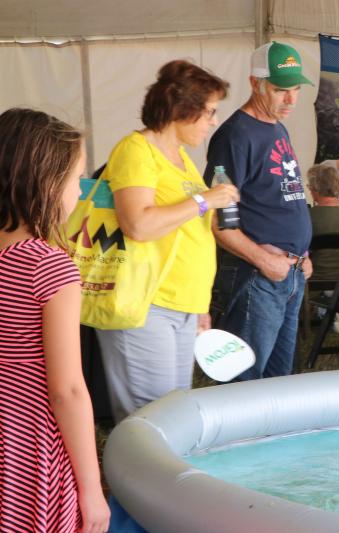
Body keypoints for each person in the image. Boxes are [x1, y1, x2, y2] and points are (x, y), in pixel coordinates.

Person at [95, 60, 238, 423]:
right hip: (146, 303)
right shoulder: (136, 150)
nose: (213, 122)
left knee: (173, 415)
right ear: (182, 110)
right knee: (151, 421)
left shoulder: (183, 160)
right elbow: (139, 225)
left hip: (182, 305)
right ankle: (131, 480)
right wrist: (206, 200)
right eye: (209, 112)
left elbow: (190, 234)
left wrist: (200, 306)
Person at [0, 108, 110, 532]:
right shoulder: (48, 267)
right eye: (76, 178)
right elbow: (66, 391)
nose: (81, 193)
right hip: (29, 446)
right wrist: (91, 489)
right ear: (43, 182)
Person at [204, 41, 314, 380]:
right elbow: (219, 220)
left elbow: (282, 197)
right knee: (245, 379)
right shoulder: (235, 137)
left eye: (296, 89)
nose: (291, 99)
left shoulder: (276, 127)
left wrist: (301, 254)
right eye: (281, 90)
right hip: (259, 275)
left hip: (289, 271)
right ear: (255, 83)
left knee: (279, 379)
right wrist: (266, 261)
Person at [307, 164, 339, 333]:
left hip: (314, 274)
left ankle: (324, 305)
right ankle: (330, 305)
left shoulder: (310, 215)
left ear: (315, 188)